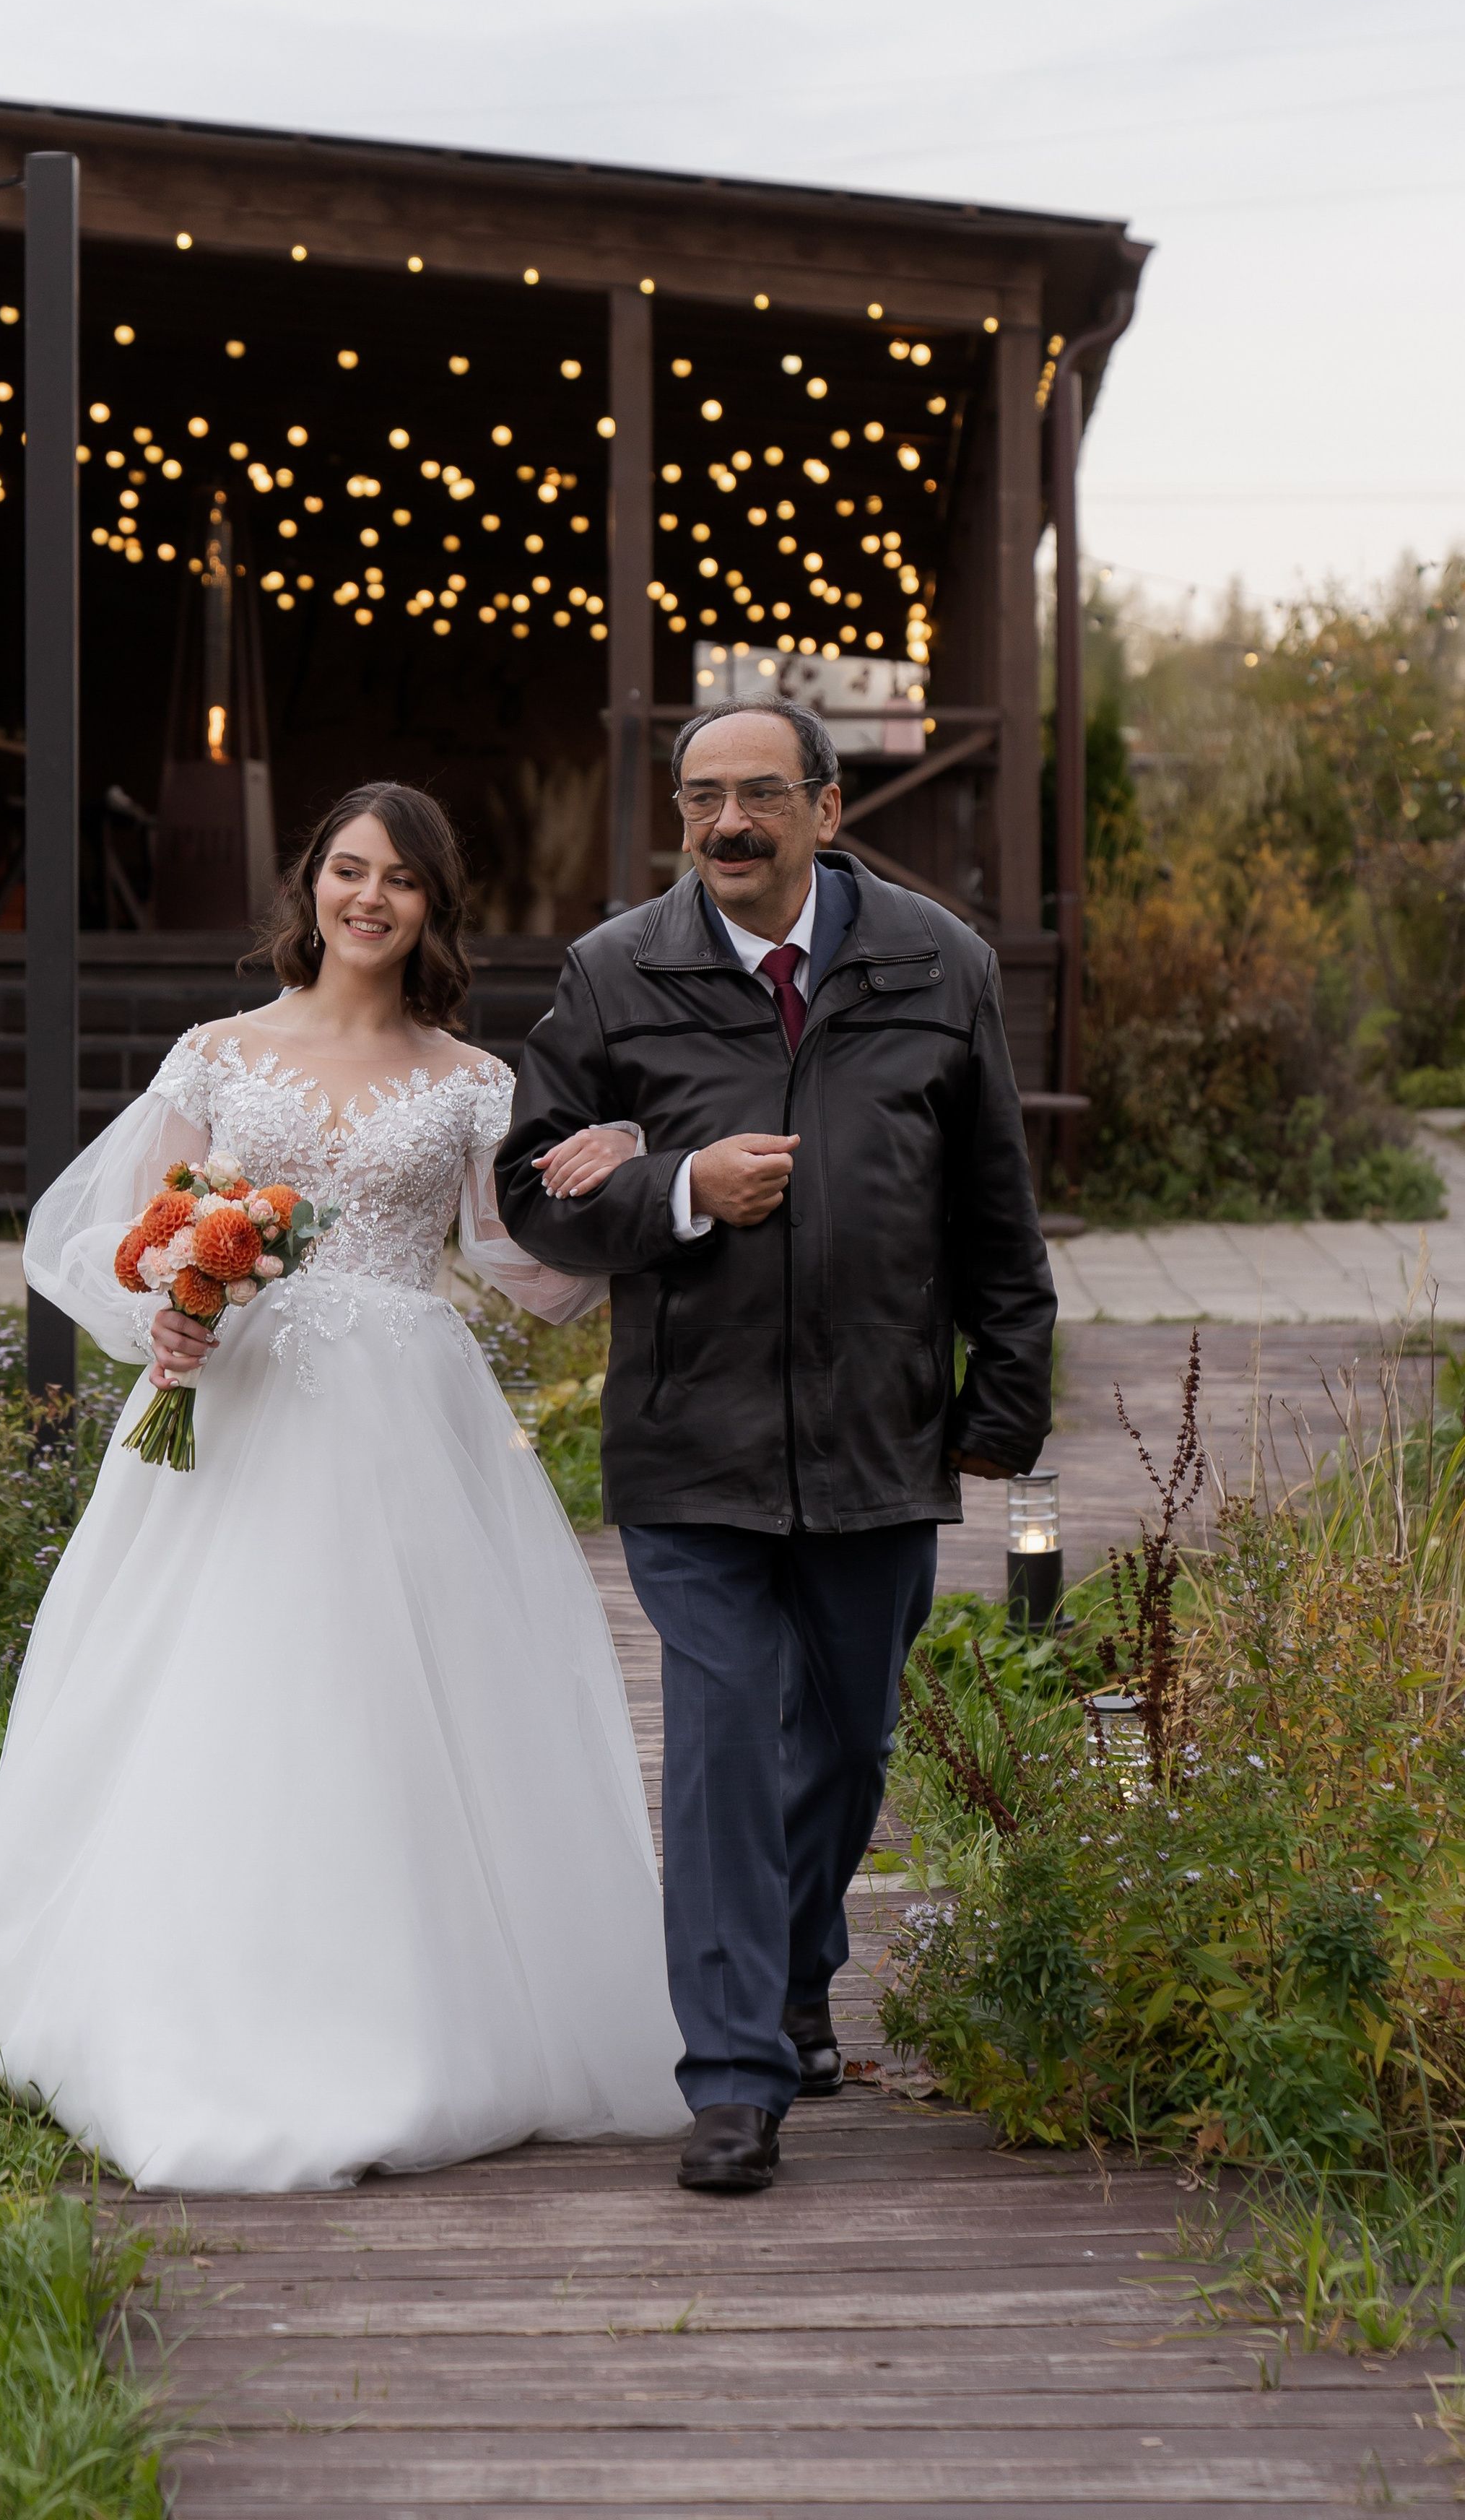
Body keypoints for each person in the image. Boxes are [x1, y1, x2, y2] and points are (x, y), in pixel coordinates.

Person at [0, 781, 687, 2191]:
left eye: (399, 879)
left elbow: (525, 1282)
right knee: (214, 1695)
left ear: (430, 908)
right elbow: (119, 1231)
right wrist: (168, 1304)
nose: (368, 898)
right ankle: (182, 1998)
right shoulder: (217, 1054)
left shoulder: (471, 1081)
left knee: (401, 1709)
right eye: (347, 870)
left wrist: (621, 1185)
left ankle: (410, 2014)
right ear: (311, 888)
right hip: (234, 1409)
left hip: (410, 1419)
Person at [496, 700, 1056, 2194]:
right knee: (730, 1742)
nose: (724, 825)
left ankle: (799, 1970)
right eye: (697, 801)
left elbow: (992, 1201)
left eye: (755, 796)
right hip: (692, 1438)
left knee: (850, 1743)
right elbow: (530, 1198)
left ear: (822, 805)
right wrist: (678, 1189)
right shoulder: (612, 977)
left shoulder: (938, 965)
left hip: (878, 1428)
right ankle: (734, 2076)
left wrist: (1004, 1390)